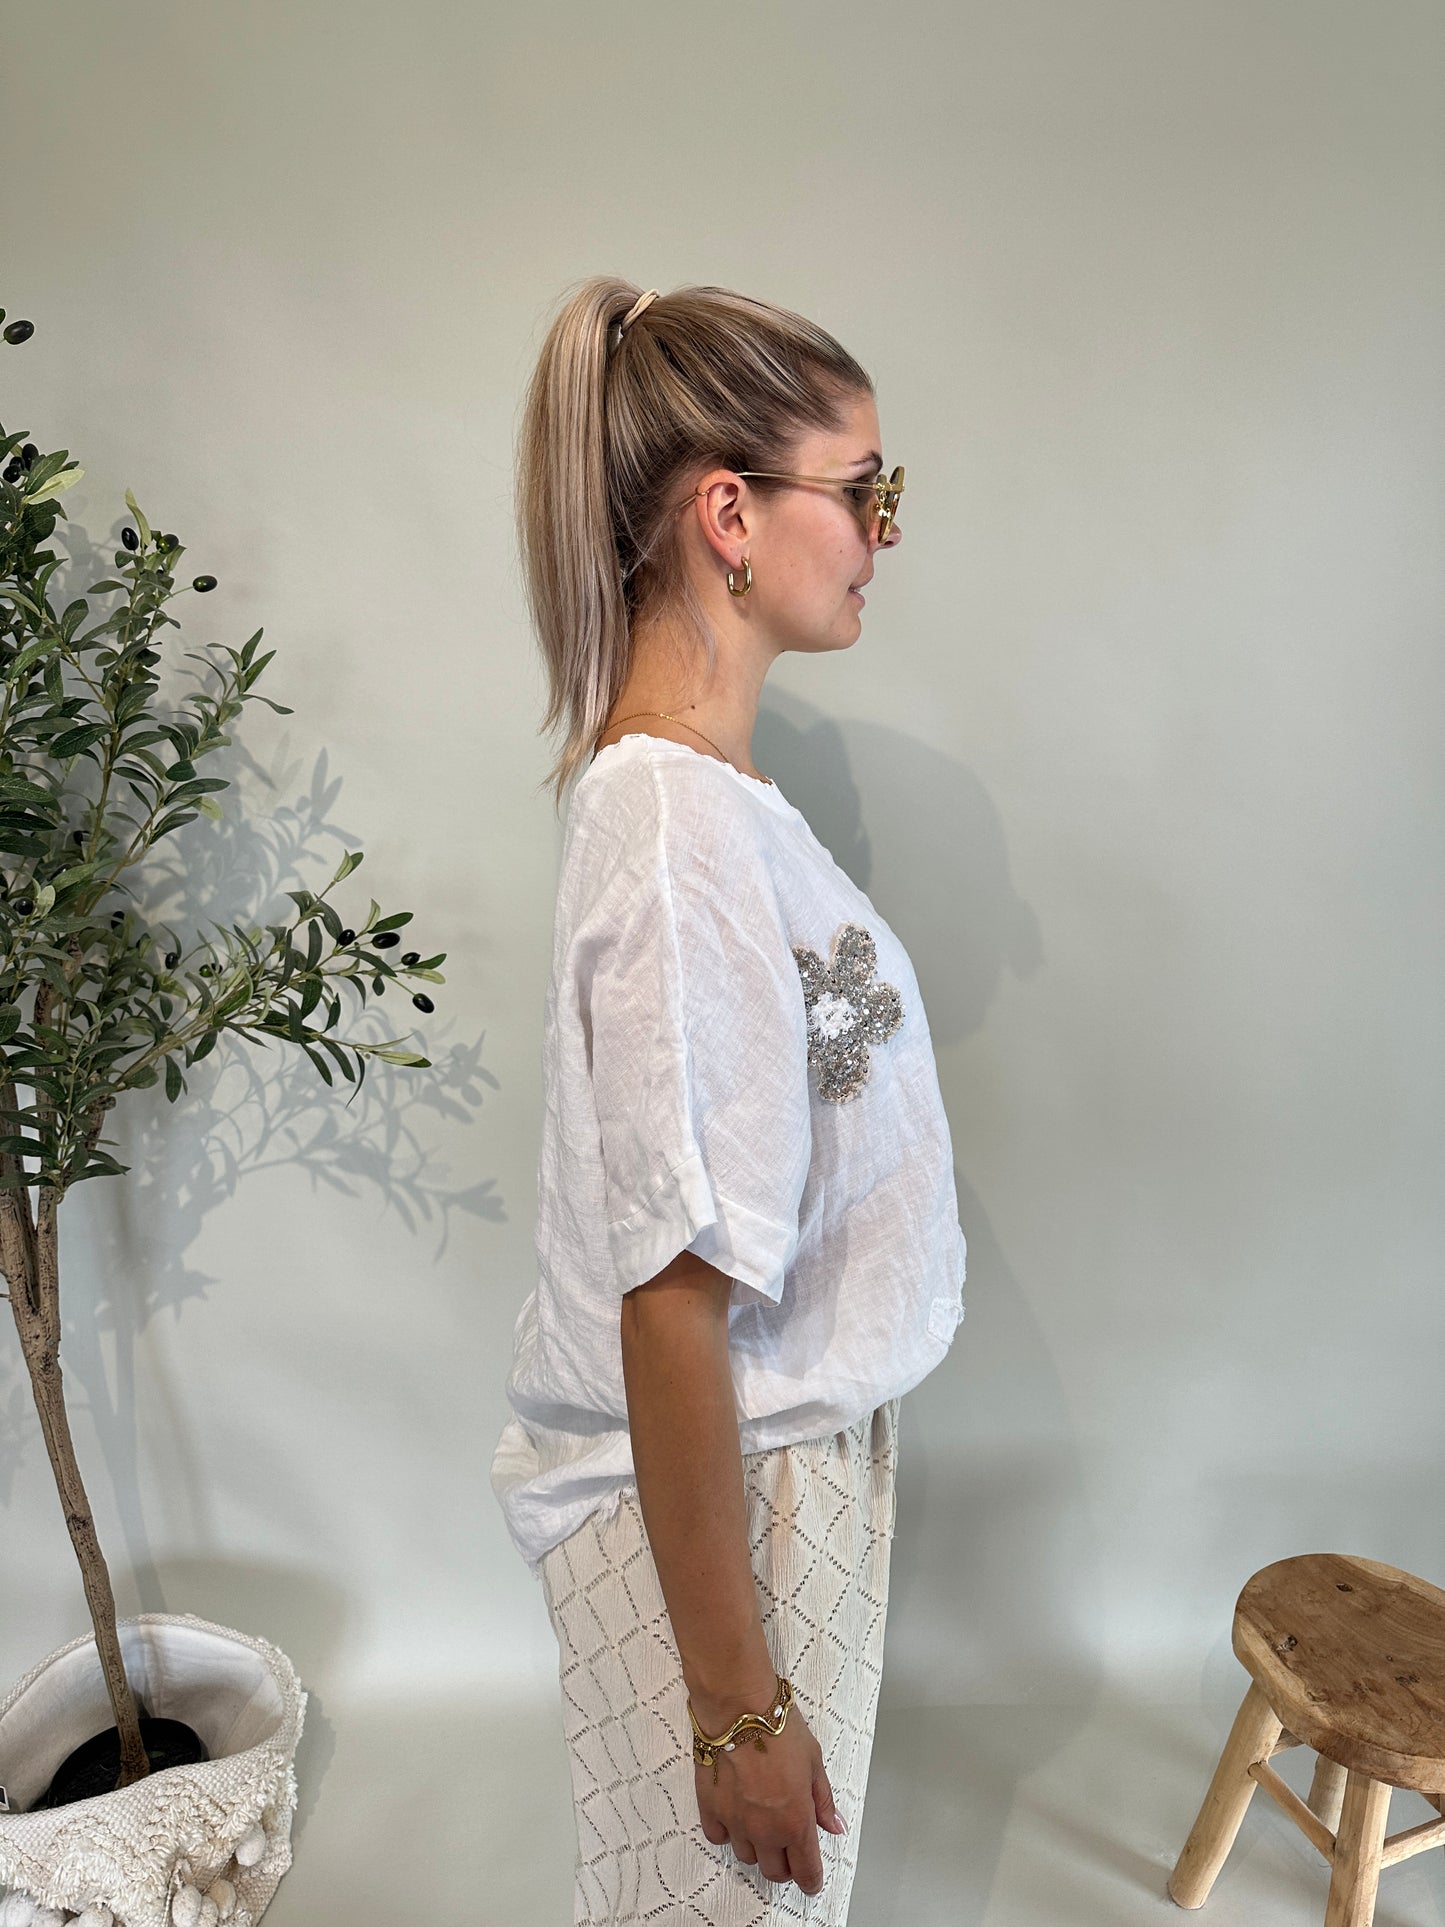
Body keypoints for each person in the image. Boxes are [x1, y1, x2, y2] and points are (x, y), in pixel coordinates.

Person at [491, 276, 967, 1925]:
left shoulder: (712, 804)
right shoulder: (674, 830)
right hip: (732, 1498)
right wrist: (735, 1707)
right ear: (730, 516)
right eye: (864, 490)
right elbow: (671, 1299)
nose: (883, 534)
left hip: (780, 1466)